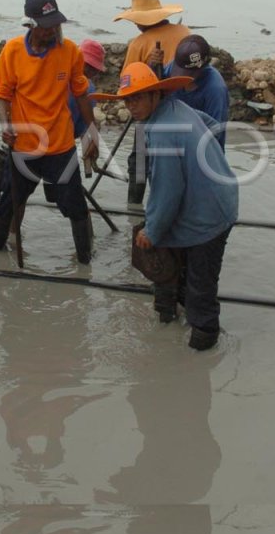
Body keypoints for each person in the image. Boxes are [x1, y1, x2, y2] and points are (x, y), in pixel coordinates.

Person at [92, 62, 238, 351]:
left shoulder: (162, 131)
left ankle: (203, 342)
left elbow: (166, 191)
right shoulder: (177, 108)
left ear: (155, 94)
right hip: (217, 194)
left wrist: (152, 230)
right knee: (178, 270)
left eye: (138, 98)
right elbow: (210, 124)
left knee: (200, 287)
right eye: (127, 99)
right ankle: (170, 315)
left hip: (209, 216)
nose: (132, 106)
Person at [0, 0, 99, 264]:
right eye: (46, 25)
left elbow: (82, 94)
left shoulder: (70, 52)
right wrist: (6, 126)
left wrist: (92, 133)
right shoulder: (13, 51)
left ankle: (85, 261)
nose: (52, 31)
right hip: (24, 146)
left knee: (75, 207)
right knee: (8, 205)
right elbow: (2, 94)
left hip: (60, 146)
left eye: (55, 24)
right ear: (31, 23)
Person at [114, 0, 192, 203]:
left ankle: (134, 209)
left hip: (149, 112)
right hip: (183, 108)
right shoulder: (184, 32)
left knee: (139, 163)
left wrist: (148, 65)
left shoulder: (139, 44)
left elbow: (127, 84)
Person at [168, 34, 229, 149]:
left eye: (189, 74)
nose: (183, 79)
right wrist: (154, 67)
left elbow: (216, 134)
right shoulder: (172, 69)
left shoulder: (215, 90)